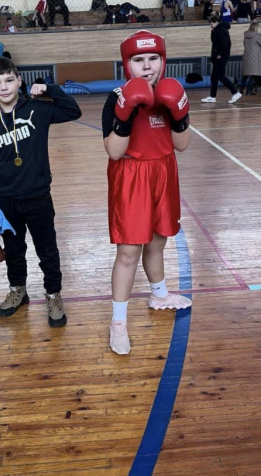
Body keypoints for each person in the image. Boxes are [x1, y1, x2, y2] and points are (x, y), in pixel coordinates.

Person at [102, 30, 192, 355]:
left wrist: (179, 114)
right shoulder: (116, 97)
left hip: (164, 171)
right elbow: (113, 151)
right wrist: (125, 113)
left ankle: (159, 294)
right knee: (128, 252)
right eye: (139, 60)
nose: (147, 66)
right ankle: (118, 323)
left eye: (153, 58)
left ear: (162, 61)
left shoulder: (173, 93)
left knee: (158, 241)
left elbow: (182, 145)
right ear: (128, 64)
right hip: (131, 176)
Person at [0, 56, 82, 321]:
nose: (4, 87)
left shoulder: (37, 108)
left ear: (19, 81)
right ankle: (17, 290)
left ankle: (53, 295)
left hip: (37, 195)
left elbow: (73, 111)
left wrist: (50, 89)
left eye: (9, 80)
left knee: (47, 249)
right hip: (6, 199)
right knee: (13, 250)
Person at [201, 15, 242, 104]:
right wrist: (213, 31)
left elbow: (225, 43)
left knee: (221, 76)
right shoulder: (217, 30)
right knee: (214, 77)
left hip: (221, 57)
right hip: (217, 57)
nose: (210, 25)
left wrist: (219, 54)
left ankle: (235, 92)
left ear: (216, 22)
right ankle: (212, 96)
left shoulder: (221, 30)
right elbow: (214, 41)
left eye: (211, 23)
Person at [239, 22, 261, 95]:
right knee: (253, 75)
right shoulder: (257, 36)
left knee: (245, 75)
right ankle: (249, 91)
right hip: (255, 57)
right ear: (256, 28)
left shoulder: (245, 36)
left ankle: (240, 91)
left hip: (246, 56)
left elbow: (244, 45)